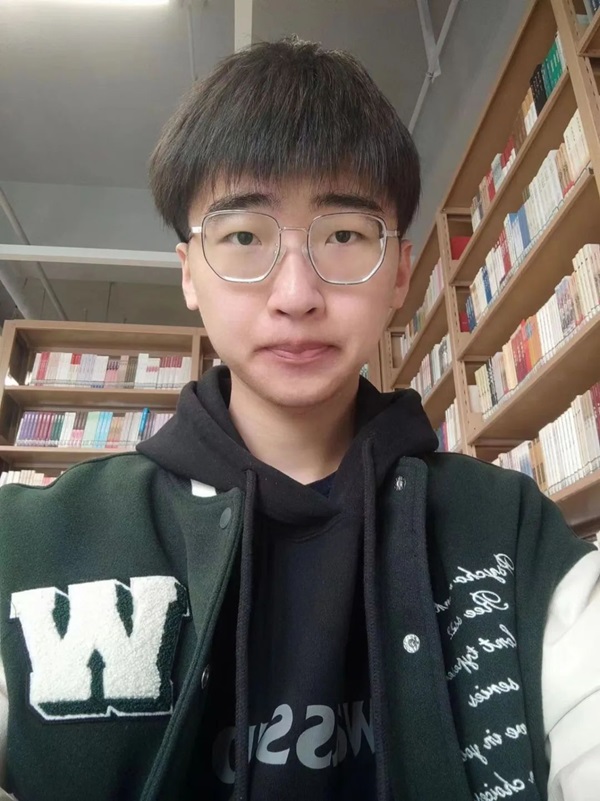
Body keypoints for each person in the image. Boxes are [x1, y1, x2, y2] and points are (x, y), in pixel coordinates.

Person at [0, 36, 598, 801]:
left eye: (343, 235)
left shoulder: (509, 530)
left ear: (401, 272)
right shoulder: (35, 541)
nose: (295, 294)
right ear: (190, 274)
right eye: (243, 237)